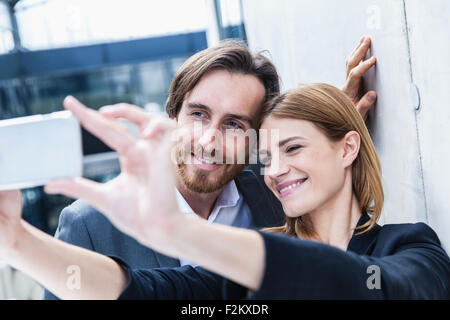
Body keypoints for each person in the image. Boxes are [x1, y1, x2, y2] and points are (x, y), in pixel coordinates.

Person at [0, 83, 448, 299]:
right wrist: (15, 239)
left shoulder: (408, 243)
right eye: (266, 155)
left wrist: (179, 232)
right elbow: (139, 292)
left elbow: (372, 287)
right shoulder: (240, 273)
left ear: (349, 147)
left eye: (292, 148)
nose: (276, 170)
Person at [42, 37, 377, 300]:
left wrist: (334, 126)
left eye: (234, 124)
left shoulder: (278, 193)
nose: (208, 141)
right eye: (198, 115)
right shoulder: (88, 224)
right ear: (173, 116)